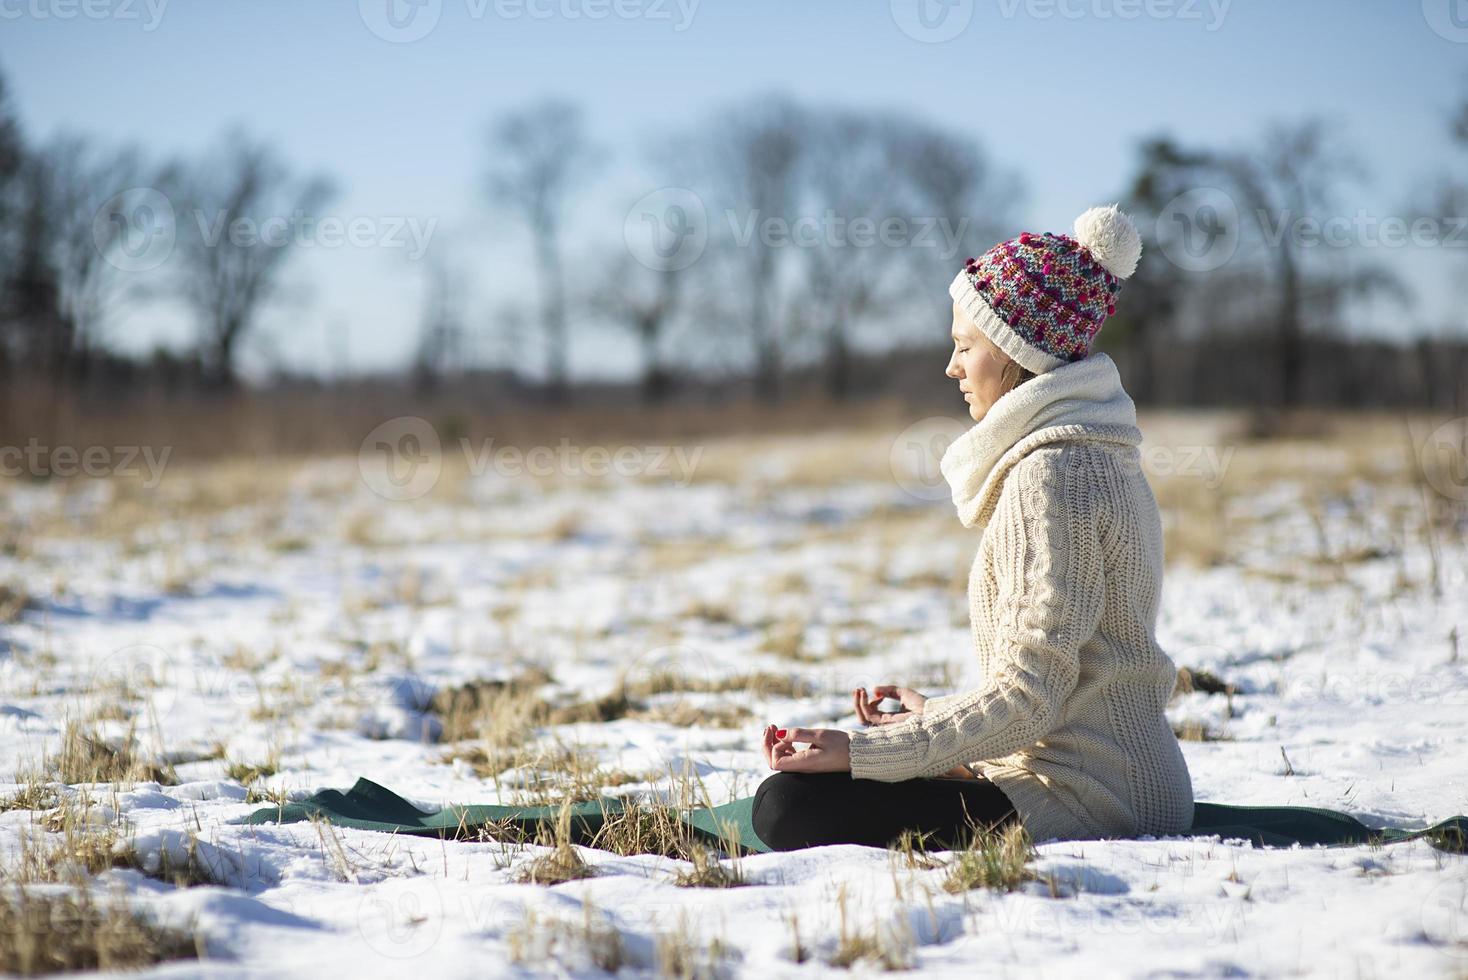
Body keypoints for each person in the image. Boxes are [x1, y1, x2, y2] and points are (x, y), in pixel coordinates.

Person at [751, 205, 1195, 852]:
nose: (952, 368)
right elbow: (1065, 681)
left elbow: (1030, 698)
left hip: (1092, 800)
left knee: (788, 806)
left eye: (965, 347)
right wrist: (935, 717)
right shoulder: (1093, 455)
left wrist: (867, 750)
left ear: (1019, 353)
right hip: (1119, 781)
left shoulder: (1052, 477)